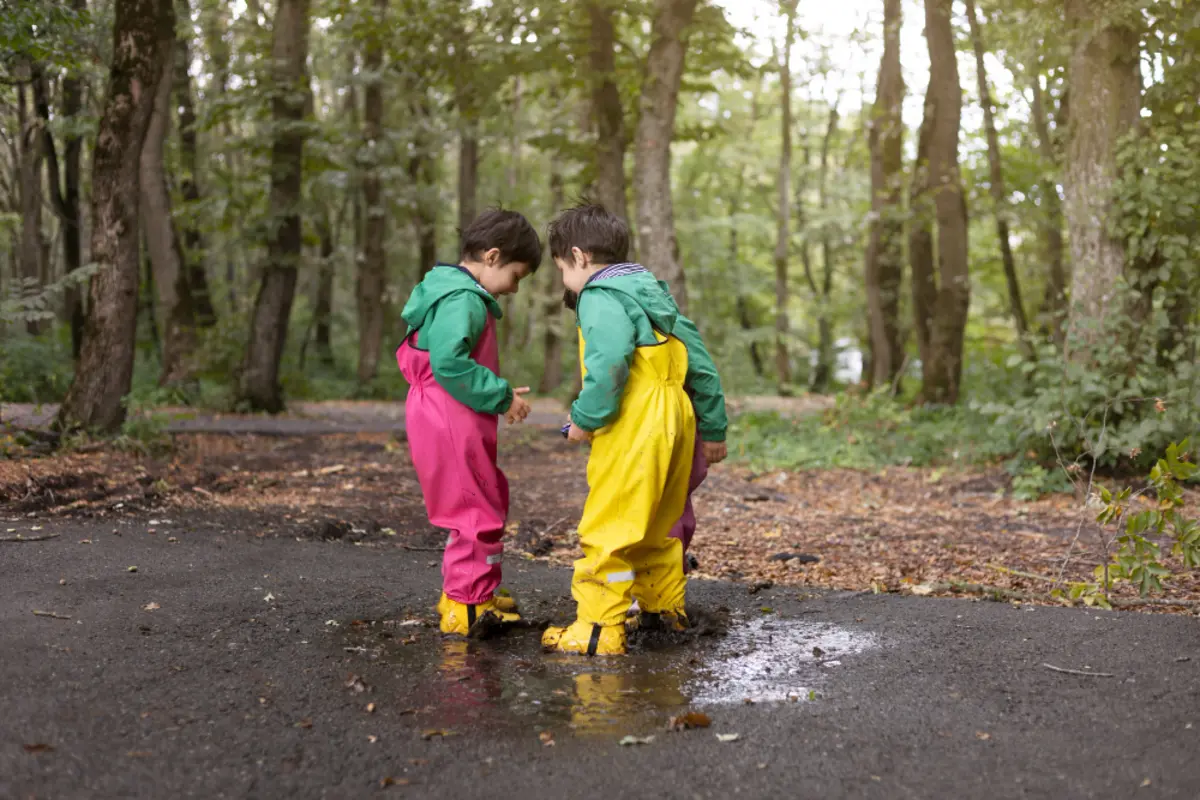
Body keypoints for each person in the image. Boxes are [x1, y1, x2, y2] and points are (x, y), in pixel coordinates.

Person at [543, 204, 727, 656]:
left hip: (636, 420)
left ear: (579, 256)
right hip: (677, 418)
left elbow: (608, 363)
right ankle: (664, 610)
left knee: (612, 521)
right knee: (659, 524)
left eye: (562, 269)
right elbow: (700, 363)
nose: (566, 280)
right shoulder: (651, 293)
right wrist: (713, 426)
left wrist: (584, 419)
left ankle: (597, 629)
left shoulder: (600, 294)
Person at [395, 209, 541, 636]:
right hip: (450, 416)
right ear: (492, 257)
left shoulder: (448, 291)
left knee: (480, 495)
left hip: (447, 412)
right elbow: (449, 364)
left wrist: (496, 391)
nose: (514, 288)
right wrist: (502, 396)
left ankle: (471, 588)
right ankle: (468, 605)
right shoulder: (463, 298)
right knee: (474, 507)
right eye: (516, 276)